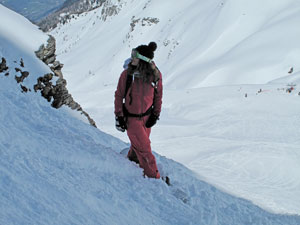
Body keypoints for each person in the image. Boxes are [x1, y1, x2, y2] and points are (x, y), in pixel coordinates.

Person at [114, 42, 162, 179]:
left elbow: (158, 95)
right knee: (145, 150)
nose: (131, 58)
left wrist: (156, 114)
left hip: (147, 118)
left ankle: (131, 162)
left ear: (142, 60)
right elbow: (119, 95)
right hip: (132, 120)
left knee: (140, 146)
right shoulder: (127, 74)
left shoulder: (155, 75)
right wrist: (119, 116)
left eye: (135, 56)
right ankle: (155, 178)